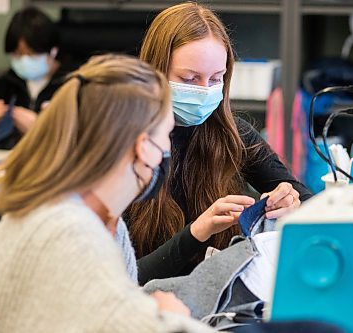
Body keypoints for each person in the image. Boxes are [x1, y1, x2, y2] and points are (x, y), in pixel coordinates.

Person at [0, 54, 214, 333]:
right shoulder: (68, 230)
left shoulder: (93, 217)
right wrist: (171, 315)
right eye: (166, 133)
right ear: (144, 146)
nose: (168, 146)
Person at [127, 2, 313, 285]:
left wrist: (291, 202)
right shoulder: (122, 148)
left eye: (216, 79)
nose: (204, 92)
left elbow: (311, 203)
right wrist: (197, 233)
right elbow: (118, 278)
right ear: (155, 72)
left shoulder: (231, 134)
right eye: (190, 79)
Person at [0, 6, 65, 149]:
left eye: (30, 54)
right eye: (17, 54)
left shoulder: (70, 85)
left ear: (53, 51)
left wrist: (41, 128)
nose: (23, 60)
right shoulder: (5, 84)